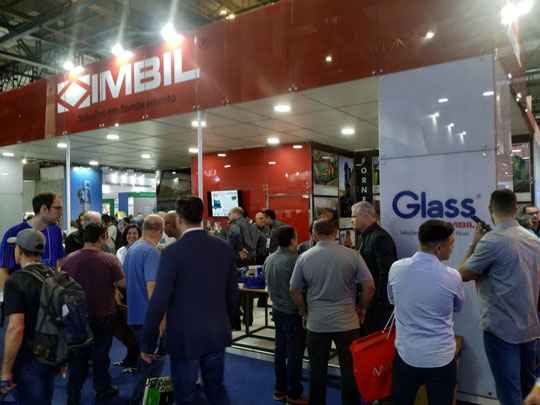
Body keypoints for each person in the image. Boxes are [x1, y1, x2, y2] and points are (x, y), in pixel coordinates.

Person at [141, 196, 238, 404]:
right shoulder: (223, 248)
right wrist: (224, 322)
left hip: (184, 336)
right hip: (216, 332)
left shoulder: (172, 253)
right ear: (201, 215)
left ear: (178, 218)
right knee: (216, 388)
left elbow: (159, 300)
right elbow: (232, 295)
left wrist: (147, 342)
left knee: (185, 395)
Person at [459, 189, 540, 405]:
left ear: (489, 209)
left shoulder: (491, 242)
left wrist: (474, 243)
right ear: (516, 208)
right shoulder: (533, 239)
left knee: (508, 393)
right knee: (528, 390)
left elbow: (463, 273)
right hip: (530, 326)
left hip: (501, 328)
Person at [290, 218, 375, 405]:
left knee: (317, 371)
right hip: (347, 322)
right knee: (350, 371)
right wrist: (362, 307)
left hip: (317, 323)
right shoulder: (353, 255)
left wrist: (304, 312)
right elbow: (369, 286)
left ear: (314, 236)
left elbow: (294, 289)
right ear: (336, 233)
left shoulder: (304, 257)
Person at [388, 220, 465, 405]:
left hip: (407, 354)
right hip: (441, 357)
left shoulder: (396, 268)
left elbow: (392, 300)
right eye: (451, 243)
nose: (453, 247)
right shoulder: (452, 276)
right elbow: (458, 307)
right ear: (438, 248)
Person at [61, 222, 126, 404]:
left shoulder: (69, 260)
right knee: (101, 353)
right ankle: (102, 388)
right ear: (101, 238)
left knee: (78, 355)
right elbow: (122, 284)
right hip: (104, 313)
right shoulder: (109, 259)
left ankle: (73, 393)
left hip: (77, 316)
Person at [0, 229, 60, 404]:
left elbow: (16, 327)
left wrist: (6, 369)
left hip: (28, 359)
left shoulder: (16, 281)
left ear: (19, 250)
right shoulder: (55, 275)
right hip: (51, 353)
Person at [123, 214, 166, 405]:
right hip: (149, 321)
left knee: (146, 365)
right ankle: (145, 402)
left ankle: (142, 400)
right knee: (153, 367)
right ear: (161, 231)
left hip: (135, 317)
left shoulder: (132, 249)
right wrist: (162, 321)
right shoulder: (151, 252)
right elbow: (153, 289)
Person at [264, 225, 308, 405]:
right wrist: (304, 311)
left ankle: (280, 389)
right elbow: (299, 289)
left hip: (277, 310)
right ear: (292, 240)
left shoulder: (269, 259)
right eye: (296, 236)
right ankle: (294, 394)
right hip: (293, 313)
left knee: (280, 351)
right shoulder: (295, 261)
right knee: (295, 354)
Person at [0, 192, 66, 288]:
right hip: (22, 291)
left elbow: (59, 262)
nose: (61, 213)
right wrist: (13, 294)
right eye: (58, 208)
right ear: (44, 209)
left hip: (47, 293)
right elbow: (3, 272)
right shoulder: (14, 233)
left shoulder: (55, 231)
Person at [351, 201, 397, 335]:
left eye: (354, 216)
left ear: (366, 217)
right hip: (367, 299)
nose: (351, 220)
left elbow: (386, 270)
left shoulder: (380, 238)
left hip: (377, 303)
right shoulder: (364, 237)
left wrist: (379, 298)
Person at [113, 223, 142, 373]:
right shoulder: (121, 251)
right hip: (123, 291)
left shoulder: (143, 251)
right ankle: (129, 358)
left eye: (134, 233)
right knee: (125, 327)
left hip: (137, 293)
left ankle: (136, 361)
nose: (131, 236)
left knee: (135, 329)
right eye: (129, 233)